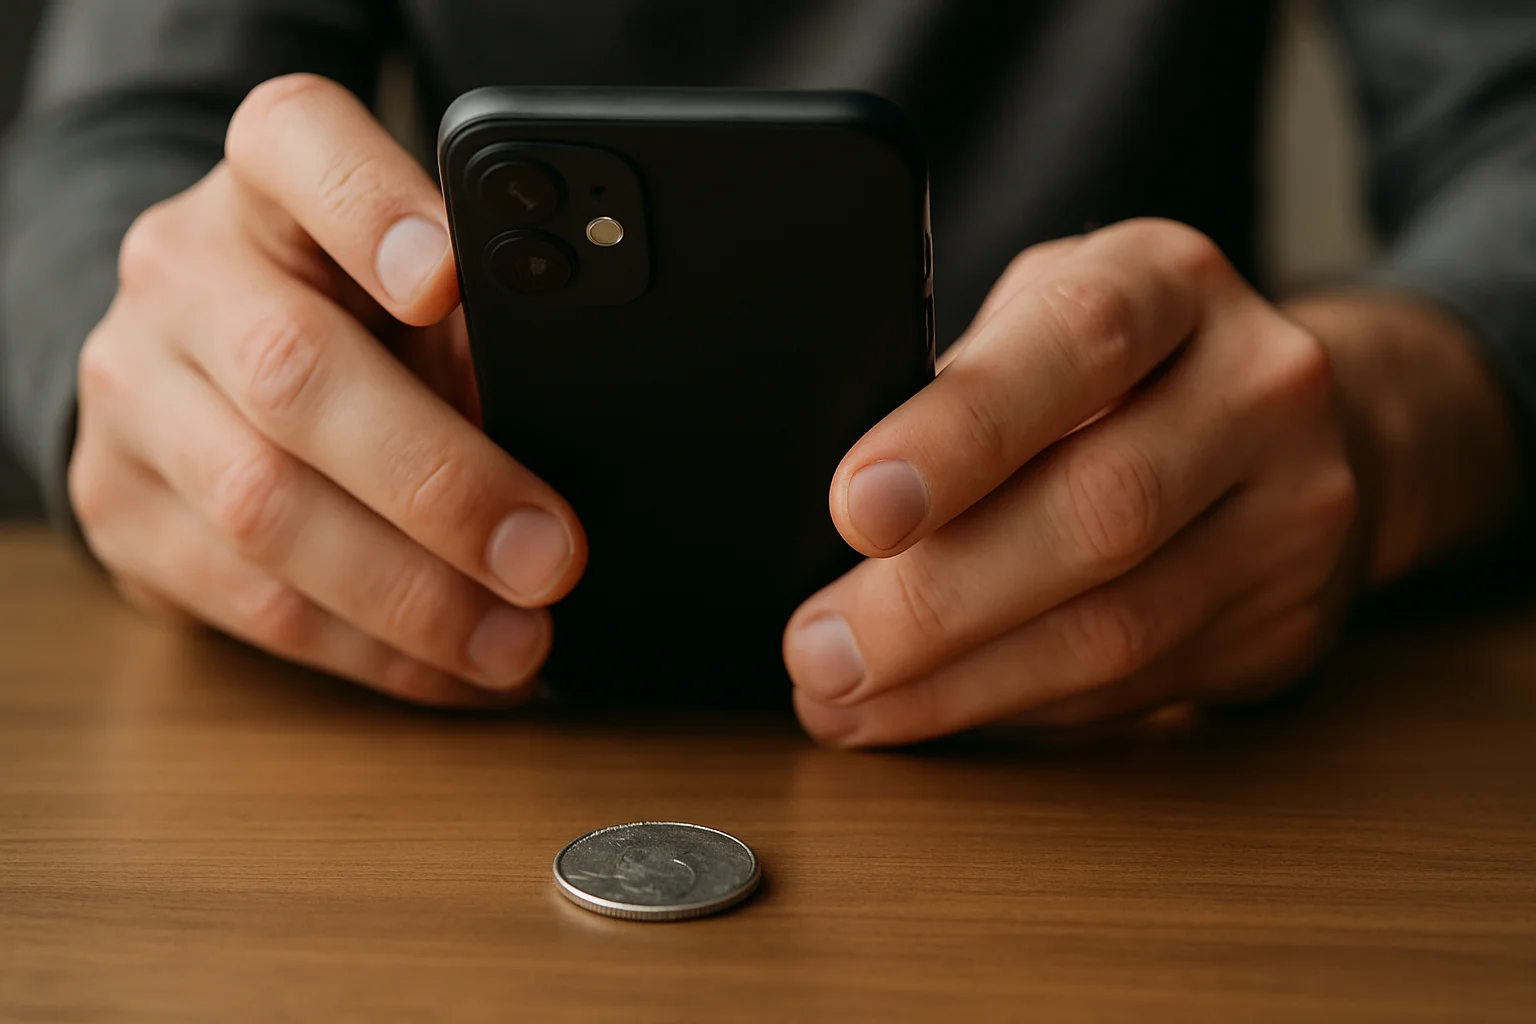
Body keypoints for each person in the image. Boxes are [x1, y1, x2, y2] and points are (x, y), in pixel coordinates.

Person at [1, 0, 1531, 747]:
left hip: (1135, 734)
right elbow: (109, 139)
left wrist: (1384, 421)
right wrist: (137, 366)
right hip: (490, 719)